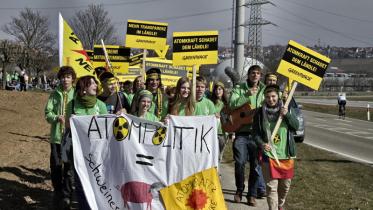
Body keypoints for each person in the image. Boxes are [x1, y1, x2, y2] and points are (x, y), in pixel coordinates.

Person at [252, 84, 299, 210]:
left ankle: (280, 205)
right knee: (271, 188)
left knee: (284, 187)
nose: (270, 99)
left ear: (278, 96)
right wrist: (262, 144)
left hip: (286, 155)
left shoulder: (286, 109)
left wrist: (287, 115)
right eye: (267, 97)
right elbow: (255, 134)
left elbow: (296, 126)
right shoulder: (259, 113)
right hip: (269, 156)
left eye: (273, 96)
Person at [65, 75, 108, 210]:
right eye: (92, 83)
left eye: (96, 83)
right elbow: (67, 126)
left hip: (96, 151)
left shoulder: (100, 105)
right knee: (80, 182)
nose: (96, 85)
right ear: (83, 88)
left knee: (97, 182)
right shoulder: (71, 104)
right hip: (78, 151)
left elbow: (106, 128)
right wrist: (71, 121)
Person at [228, 65, 266, 206]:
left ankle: (252, 194)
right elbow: (232, 104)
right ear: (248, 75)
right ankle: (239, 190)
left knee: (256, 166)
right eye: (252, 73)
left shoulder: (264, 89)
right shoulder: (240, 88)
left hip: (257, 134)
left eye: (258, 73)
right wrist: (246, 95)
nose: (255, 75)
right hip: (241, 133)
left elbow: (271, 102)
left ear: (260, 76)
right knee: (239, 163)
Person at [44, 66, 76, 208]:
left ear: (72, 79)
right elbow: (47, 112)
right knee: (56, 166)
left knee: (69, 168)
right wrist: (56, 117)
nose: (65, 79)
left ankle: (67, 195)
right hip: (56, 137)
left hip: (71, 138)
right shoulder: (54, 94)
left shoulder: (77, 94)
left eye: (68, 77)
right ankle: (57, 192)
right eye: (63, 77)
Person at [209, 81, 229, 162]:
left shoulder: (227, 103)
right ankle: (216, 173)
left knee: (219, 155)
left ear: (223, 91)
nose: (218, 91)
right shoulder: (210, 102)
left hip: (223, 133)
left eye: (220, 89)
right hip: (212, 132)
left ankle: (217, 171)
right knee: (213, 154)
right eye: (216, 89)